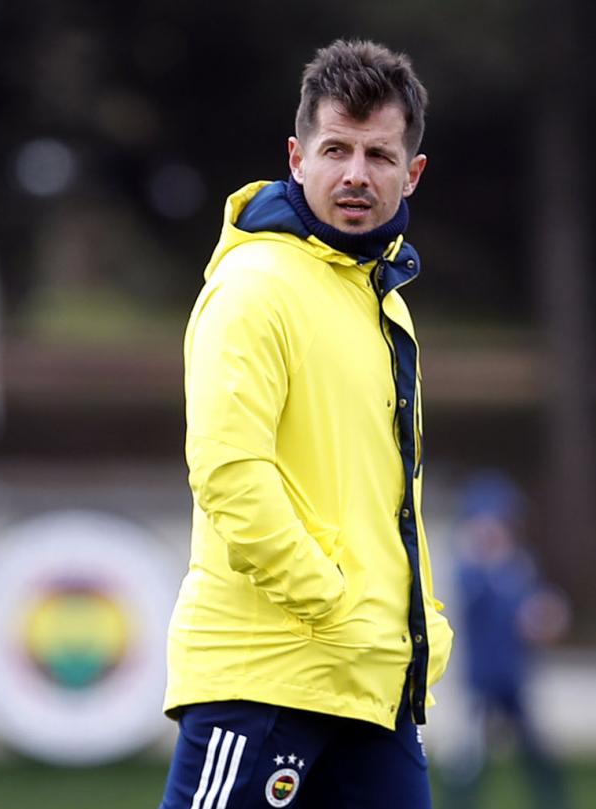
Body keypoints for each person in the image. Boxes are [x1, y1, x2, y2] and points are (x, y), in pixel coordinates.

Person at [157, 39, 453, 809]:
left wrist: (419, 618)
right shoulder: (255, 287)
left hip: (371, 679)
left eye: (379, 155)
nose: (356, 174)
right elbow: (229, 473)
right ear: (296, 157)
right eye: (336, 150)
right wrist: (332, 602)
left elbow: (386, 496)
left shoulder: (385, 303)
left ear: (412, 172)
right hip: (265, 675)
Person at [442, 470, 571, 809]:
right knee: (472, 755)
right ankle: (457, 802)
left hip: (512, 675)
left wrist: (544, 617)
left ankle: (553, 800)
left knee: (533, 749)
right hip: (483, 678)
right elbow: (479, 604)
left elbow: (533, 610)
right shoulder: (470, 570)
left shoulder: (520, 565)